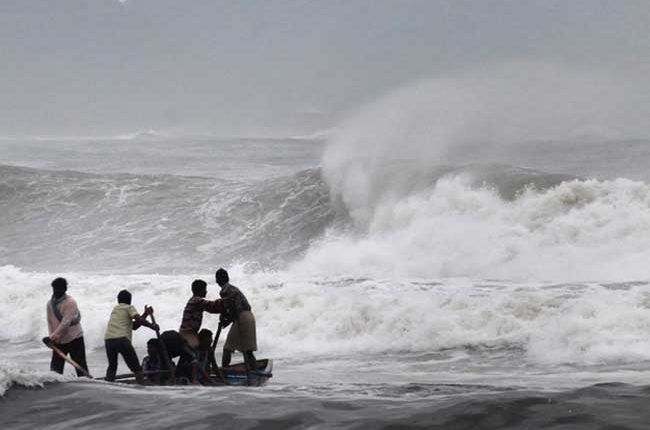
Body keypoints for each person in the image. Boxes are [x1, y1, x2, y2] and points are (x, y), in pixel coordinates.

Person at [104, 289, 159, 384]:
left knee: (112, 367)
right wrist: (152, 326)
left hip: (109, 340)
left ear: (118, 300)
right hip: (122, 340)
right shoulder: (129, 307)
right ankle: (142, 388)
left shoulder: (115, 310)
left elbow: (134, 326)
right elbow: (139, 319)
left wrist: (145, 314)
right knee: (137, 368)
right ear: (130, 300)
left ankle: (107, 386)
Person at [43, 277, 89, 377]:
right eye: (55, 289)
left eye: (59, 289)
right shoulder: (50, 304)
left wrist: (51, 337)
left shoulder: (70, 302)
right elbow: (50, 322)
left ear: (65, 289)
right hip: (59, 340)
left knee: (81, 368)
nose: (57, 291)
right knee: (55, 371)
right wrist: (52, 338)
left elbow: (66, 323)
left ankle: (87, 383)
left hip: (74, 339)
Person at [216, 268, 258, 373]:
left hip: (241, 318)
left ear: (218, 280)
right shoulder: (233, 288)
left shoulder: (225, 291)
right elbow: (233, 308)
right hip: (249, 317)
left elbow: (233, 310)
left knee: (227, 348)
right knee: (247, 350)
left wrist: (226, 321)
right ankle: (255, 371)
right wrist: (226, 318)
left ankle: (224, 372)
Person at [179, 279, 227, 349]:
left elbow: (212, 308)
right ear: (200, 290)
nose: (206, 291)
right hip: (188, 334)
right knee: (196, 347)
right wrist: (226, 301)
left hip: (188, 332)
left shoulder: (193, 300)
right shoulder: (197, 300)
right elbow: (212, 306)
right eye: (205, 289)